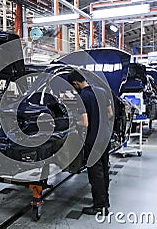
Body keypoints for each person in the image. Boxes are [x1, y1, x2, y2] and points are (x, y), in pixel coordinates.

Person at [68, 70, 113, 216]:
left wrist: (74, 121)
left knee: (95, 173)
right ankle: (105, 201)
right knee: (104, 170)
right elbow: (110, 114)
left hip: (93, 139)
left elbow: (85, 123)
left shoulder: (83, 97)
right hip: (105, 136)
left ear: (75, 83)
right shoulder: (102, 91)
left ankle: (99, 206)